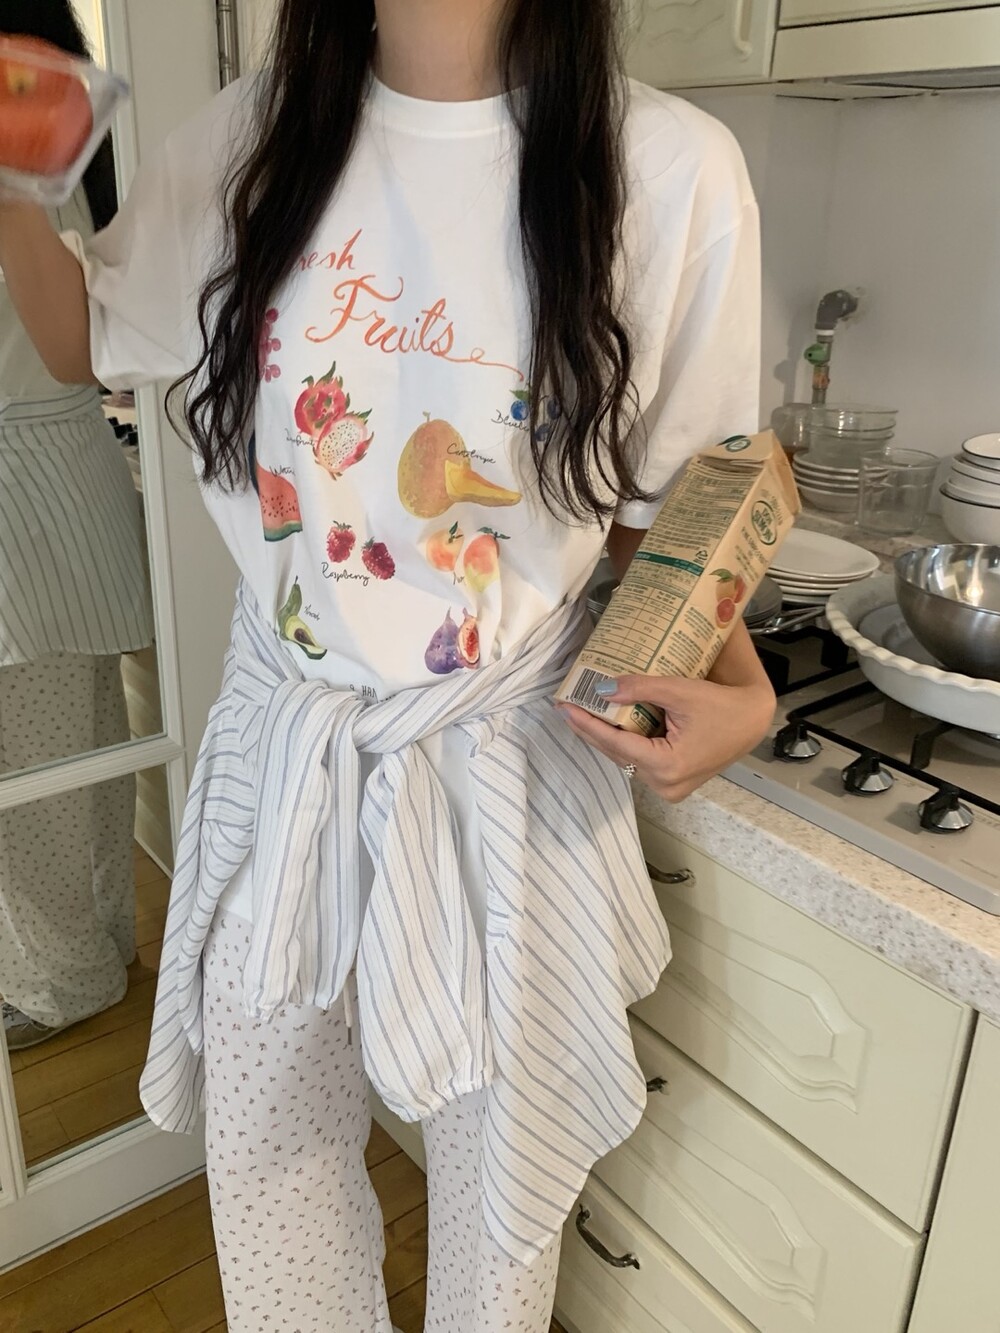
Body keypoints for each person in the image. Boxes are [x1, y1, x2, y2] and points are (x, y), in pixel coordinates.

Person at [0, 0, 775, 1327]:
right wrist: (16, 176)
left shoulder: (670, 167)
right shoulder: (243, 144)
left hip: (508, 764)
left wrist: (740, 684)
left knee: (499, 1196)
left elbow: (676, 507)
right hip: (285, 750)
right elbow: (87, 339)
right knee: (269, 1164)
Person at [0, 0, 152, 1051]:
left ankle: (65, 981)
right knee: (83, 755)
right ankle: (97, 950)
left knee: (31, 783)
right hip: (68, 490)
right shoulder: (67, 157)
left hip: (25, 511)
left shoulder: (23, 176)